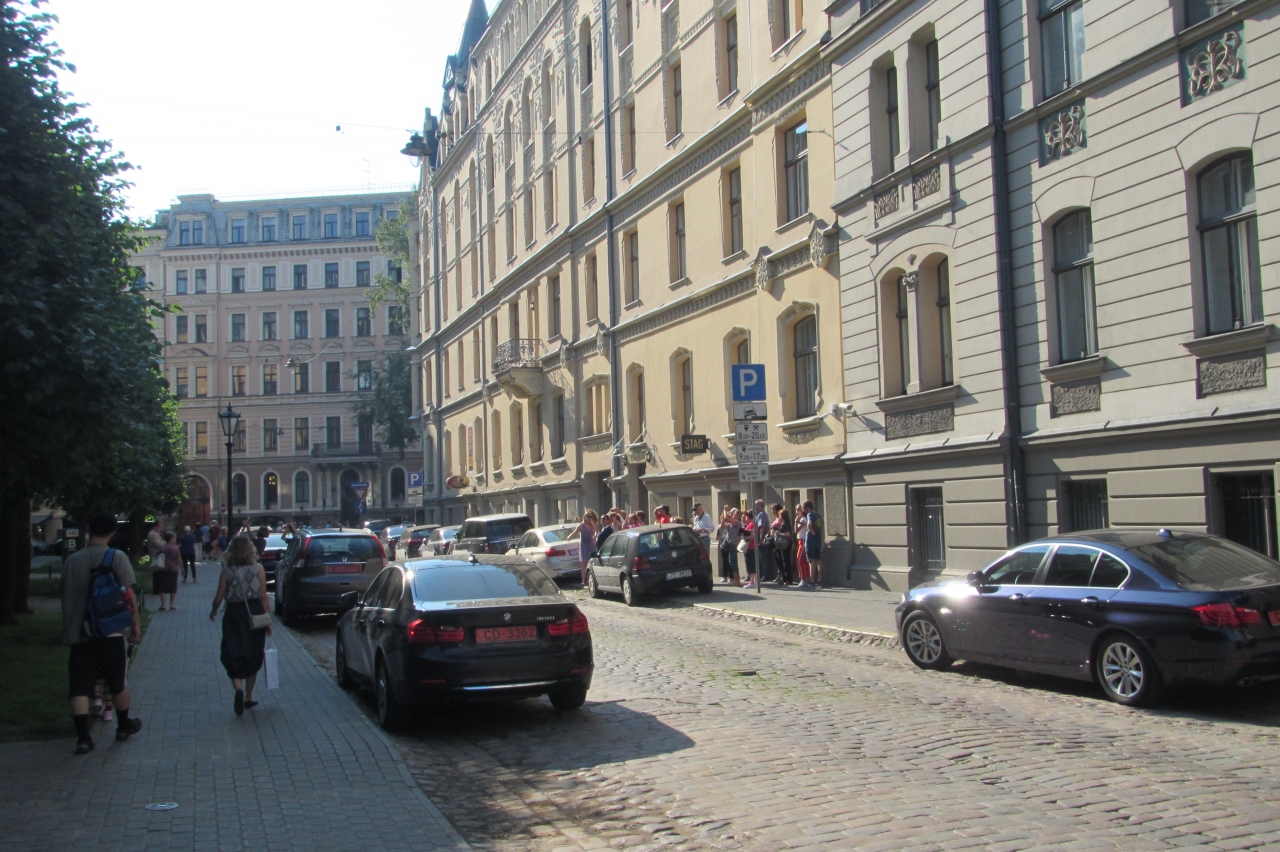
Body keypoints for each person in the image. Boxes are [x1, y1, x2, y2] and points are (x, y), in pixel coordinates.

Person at [61, 512, 143, 755]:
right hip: (111, 631)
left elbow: (64, 594)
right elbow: (128, 594)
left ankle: (83, 738)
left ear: (89, 530)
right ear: (112, 532)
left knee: (80, 686)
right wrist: (135, 625)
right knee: (117, 682)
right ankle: (123, 725)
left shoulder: (71, 561)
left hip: (79, 633)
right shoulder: (116, 557)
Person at [209, 534, 272, 716]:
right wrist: (267, 620)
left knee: (232, 651)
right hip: (255, 613)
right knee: (254, 652)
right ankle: (248, 697)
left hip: (234, 614)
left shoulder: (226, 572)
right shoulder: (259, 569)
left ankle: (238, 689)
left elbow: (219, 597)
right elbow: (264, 597)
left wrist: (213, 611)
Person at [156, 532, 182, 611]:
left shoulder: (161, 547)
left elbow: (157, 555)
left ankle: (163, 604)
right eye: (174, 537)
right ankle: (172, 604)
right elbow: (178, 558)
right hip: (173, 568)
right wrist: (182, 568)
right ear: (171, 539)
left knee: (162, 587)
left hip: (162, 568)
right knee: (173, 587)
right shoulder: (176, 548)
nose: (175, 539)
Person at [771, 505, 794, 586]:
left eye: (780, 515)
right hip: (785, 544)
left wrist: (778, 533)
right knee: (785, 561)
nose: (779, 516)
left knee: (786, 561)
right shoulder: (786, 523)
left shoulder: (785, 524)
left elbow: (788, 534)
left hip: (786, 544)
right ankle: (785, 578)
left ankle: (788, 579)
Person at [717, 507, 741, 586]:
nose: (733, 514)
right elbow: (723, 525)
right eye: (732, 513)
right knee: (731, 562)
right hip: (730, 544)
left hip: (734, 544)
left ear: (738, 516)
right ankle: (735, 579)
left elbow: (726, 518)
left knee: (733, 562)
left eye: (735, 513)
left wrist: (725, 510)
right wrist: (723, 518)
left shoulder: (737, 522)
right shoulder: (731, 524)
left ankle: (737, 580)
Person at [573, 510, 599, 585]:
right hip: (584, 546)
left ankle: (592, 579)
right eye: (588, 516)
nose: (589, 518)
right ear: (585, 517)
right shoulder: (581, 525)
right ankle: (583, 580)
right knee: (584, 562)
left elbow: (597, 531)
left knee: (591, 562)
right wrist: (569, 537)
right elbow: (575, 533)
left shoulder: (592, 525)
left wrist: (595, 536)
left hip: (591, 545)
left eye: (591, 517)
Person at [804, 500, 825, 586]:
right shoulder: (818, 514)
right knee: (818, 560)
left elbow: (809, 524)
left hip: (810, 541)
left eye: (804, 508)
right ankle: (819, 580)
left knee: (811, 560)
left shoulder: (810, 514)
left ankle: (812, 580)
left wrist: (811, 530)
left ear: (807, 508)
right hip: (818, 540)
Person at [795, 505, 813, 588]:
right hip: (800, 540)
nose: (797, 510)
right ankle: (806, 578)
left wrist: (796, 521)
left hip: (803, 540)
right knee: (802, 561)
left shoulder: (803, 519)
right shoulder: (801, 519)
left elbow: (797, 530)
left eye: (798, 509)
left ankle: (803, 578)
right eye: (796, 509)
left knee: (799, 560)